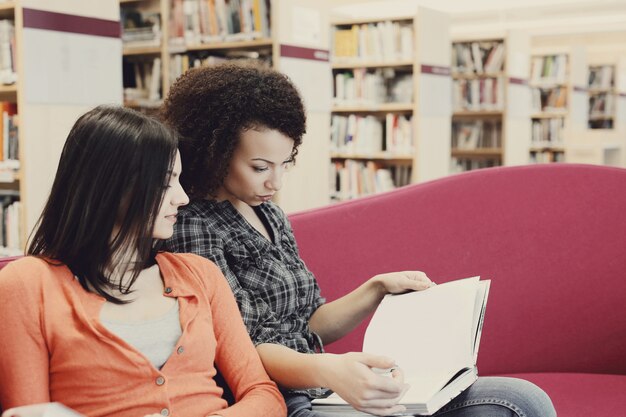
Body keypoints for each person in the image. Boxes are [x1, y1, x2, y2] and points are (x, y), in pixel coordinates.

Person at [161, 62, 556, 417]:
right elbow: (240, 350)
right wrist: (333, 372)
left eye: (286, 164)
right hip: (283, 397)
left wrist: (376, 289)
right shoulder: (193, 227)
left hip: (324, 382)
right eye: (260, 167)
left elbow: (312, 322)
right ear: (214, 153)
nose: (276, 182)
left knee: (522, 401)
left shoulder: (270, 215)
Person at [0, 105, 286, 417]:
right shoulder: (27, 284)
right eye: (166, 182)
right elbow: (28, 413)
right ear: (109, 187)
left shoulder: (199, 274)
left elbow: (264, 395)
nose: (182, 197)